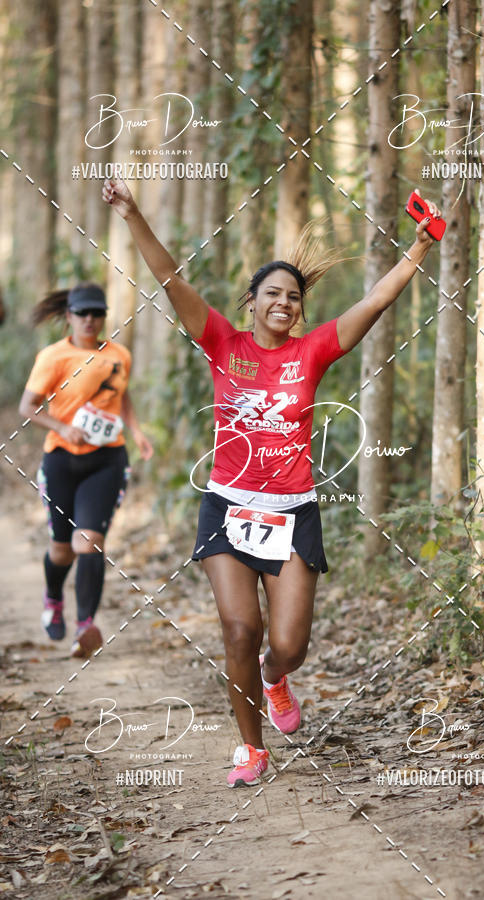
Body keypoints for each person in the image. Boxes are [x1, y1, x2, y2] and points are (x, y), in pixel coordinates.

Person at [102, 177, 441, 787]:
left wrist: (417, 249)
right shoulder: (222, 344)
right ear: (251, 301)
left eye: (292, 297)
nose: (283, 303)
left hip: (291, 513)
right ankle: (251, 749)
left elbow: (373, 305)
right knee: (239, 627)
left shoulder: (310, 353)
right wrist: (131, 214)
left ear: (299, 310)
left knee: (287, 644)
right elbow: (170, 278)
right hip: (228, 507)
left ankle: (275, 678)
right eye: (272, 294)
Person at [18, 283, 153, 658]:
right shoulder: (53, 356)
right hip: (62, 460)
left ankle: (85, 627)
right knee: (62, 551)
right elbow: (27, 407)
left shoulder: (119, 354)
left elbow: (121, 394)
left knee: (89, 543)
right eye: (82, 313)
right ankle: (53, 599)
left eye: (97, 313)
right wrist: (62, 427)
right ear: (69, 316)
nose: (90, 320)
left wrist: (136, 432)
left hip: (107, 460)